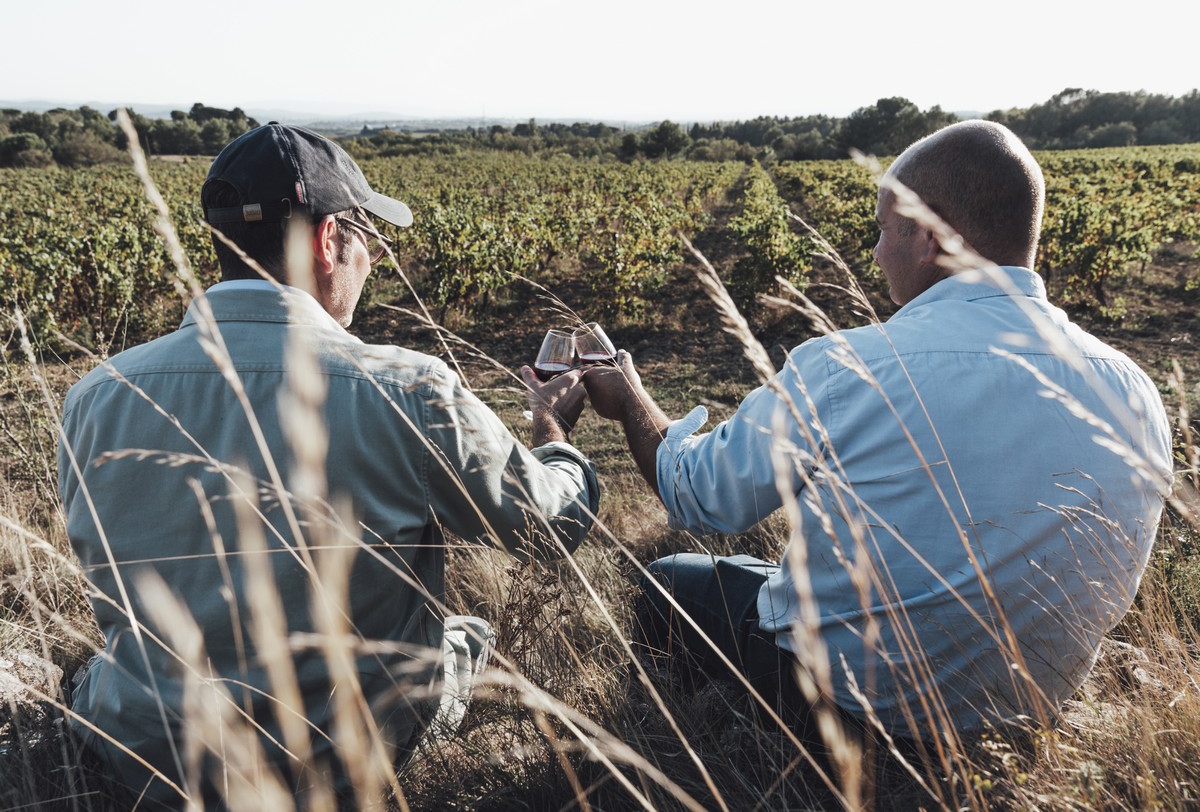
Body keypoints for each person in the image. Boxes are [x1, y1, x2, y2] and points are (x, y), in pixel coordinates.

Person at [584, 120, 1173, 756]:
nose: (873, 252)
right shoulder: (1135, 391)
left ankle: (692, 756)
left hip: (848, 711)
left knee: (671, 580)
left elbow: (696, 495)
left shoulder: (848, 370)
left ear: (927, 236)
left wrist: (630, 399)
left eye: (883, 230)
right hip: (1023, 722)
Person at [58, 123, 600, 808]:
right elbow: (548, 527)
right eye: (368, 239)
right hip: (336, 762)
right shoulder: (406, 390)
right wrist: (554, 439)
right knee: (474, 639)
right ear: (326, 241)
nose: (372, 259)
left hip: (145, 752)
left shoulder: (95, 395)